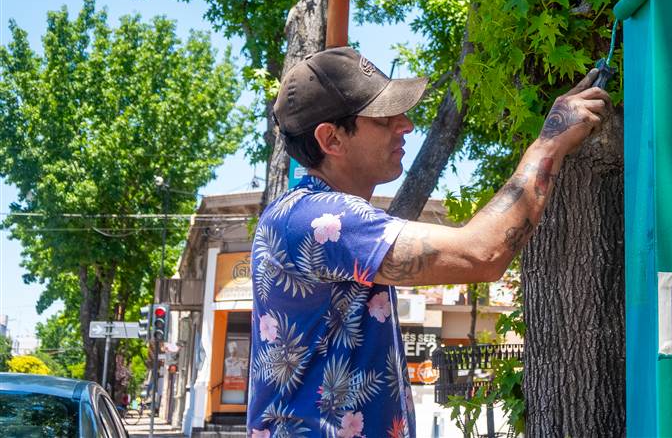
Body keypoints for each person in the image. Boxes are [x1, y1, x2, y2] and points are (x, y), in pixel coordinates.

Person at [247, 47, 610, 438]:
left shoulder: (308, 213)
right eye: (384, 118)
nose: (406, 125)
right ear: (331, 138)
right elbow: (482, 253)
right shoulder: (318, 218)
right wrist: (549, 144)